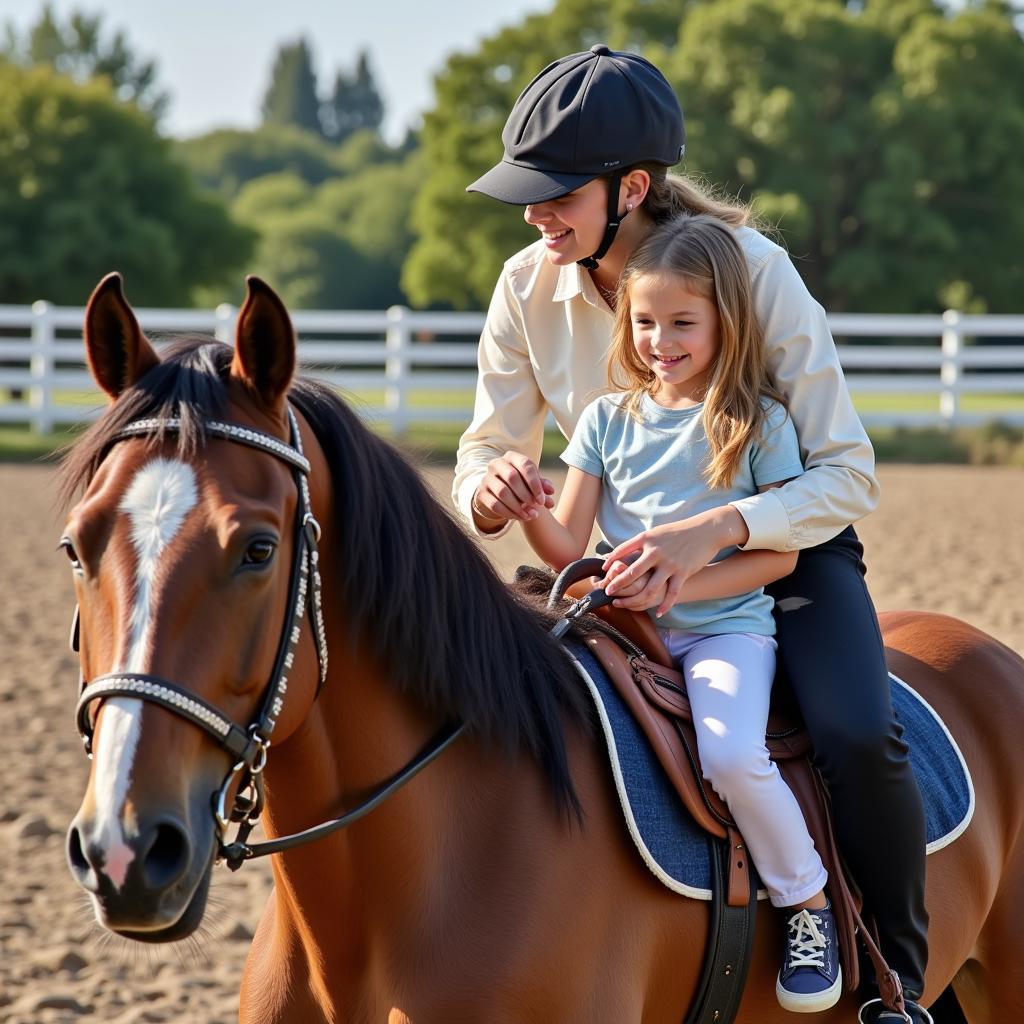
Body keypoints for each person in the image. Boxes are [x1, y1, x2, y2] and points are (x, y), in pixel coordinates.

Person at [456, 45, 931, 1024]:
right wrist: (493, 488)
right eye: (526, 195)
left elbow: (846, 472)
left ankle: (898, 981)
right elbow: (487, 446)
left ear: (631, 187)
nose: (534, 214)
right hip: (600, 563)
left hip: (772, 545)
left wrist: (714, 529)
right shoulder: (523, 285)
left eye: (554, 194)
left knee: (852, 729)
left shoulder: (756, 272)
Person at [523, 212, 843, 1011]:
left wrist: (679, 585)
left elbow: (780, 555)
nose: (660, 341)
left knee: (732, 756)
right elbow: (569, 548)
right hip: (616, 632)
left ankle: (807, 904)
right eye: (644, 322)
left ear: (723, 323)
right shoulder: (605, 420)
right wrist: (528, 506)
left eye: (682, 323)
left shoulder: (758, 422)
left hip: (723, 632)